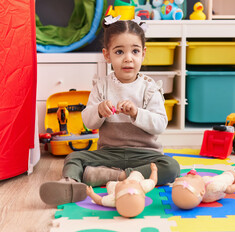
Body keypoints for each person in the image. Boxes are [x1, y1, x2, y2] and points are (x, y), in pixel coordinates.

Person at [39, 16, 180, 206]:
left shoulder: (150, 88)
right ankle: (70, 183)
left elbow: (160, 124)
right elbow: (88, 122)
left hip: (144, 154)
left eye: (135, 51)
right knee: (74, 157)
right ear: (107, 55)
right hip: (108, 153)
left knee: (171, 167)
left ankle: (113, 176)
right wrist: (98, 110)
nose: (128, 58)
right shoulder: (101, 86)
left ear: (143, 54)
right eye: (119, 51)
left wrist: (136, 113)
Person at [86, 163, 158, 218]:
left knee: (109, 184)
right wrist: (154, 170)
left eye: (123, 183)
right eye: (128, 183)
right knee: (136, 173)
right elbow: (153, 180)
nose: (125, 181)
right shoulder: (143, 185)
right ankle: (126, 176)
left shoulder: (113, 199)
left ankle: (116, 176)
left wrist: (91, 194)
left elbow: (99, 200)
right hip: (135, 180)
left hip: (115, 188)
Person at [171, 169, 235, 209]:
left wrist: (179, 182)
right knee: (231, 173)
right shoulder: (213, 186)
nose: (190, 175)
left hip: (211, 184)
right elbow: (229, 189)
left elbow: (184, 192)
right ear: (202, 192)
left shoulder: (197, 194)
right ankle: (234, 176)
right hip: (226, 181)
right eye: (192, 177)